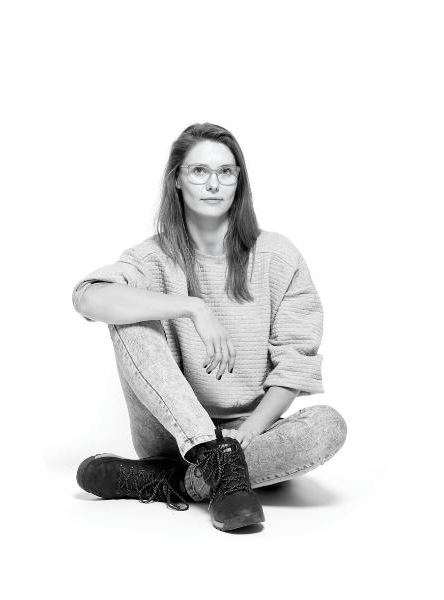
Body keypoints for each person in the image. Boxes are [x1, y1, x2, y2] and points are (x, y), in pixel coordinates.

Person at [71, 122, 347, 532]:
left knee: (328, 426)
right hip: (171, 436)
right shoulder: (151, 258)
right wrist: (192, 307)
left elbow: (295, 362)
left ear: (239, 181)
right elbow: (88, 297)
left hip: (248, 436)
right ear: (177, 180)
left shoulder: (277, 256)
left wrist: (249, 431)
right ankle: (210, 463)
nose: (213, 183)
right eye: (199, 171)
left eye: (226, 171)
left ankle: (174, 480)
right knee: (129, 318)